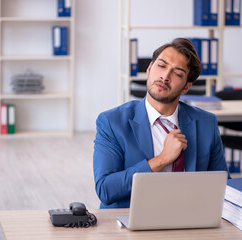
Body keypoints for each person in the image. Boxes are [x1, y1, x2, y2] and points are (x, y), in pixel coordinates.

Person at [93, 38, 229, 209]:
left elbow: (223, 187)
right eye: (161, 66)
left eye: (177, 73)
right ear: (149, 69)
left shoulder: (206, 123)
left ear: (186, 86)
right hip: (132, 221)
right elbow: (105, 190)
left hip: (188, 219)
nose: (165, 77)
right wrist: (163, 159)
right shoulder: (112, 122)